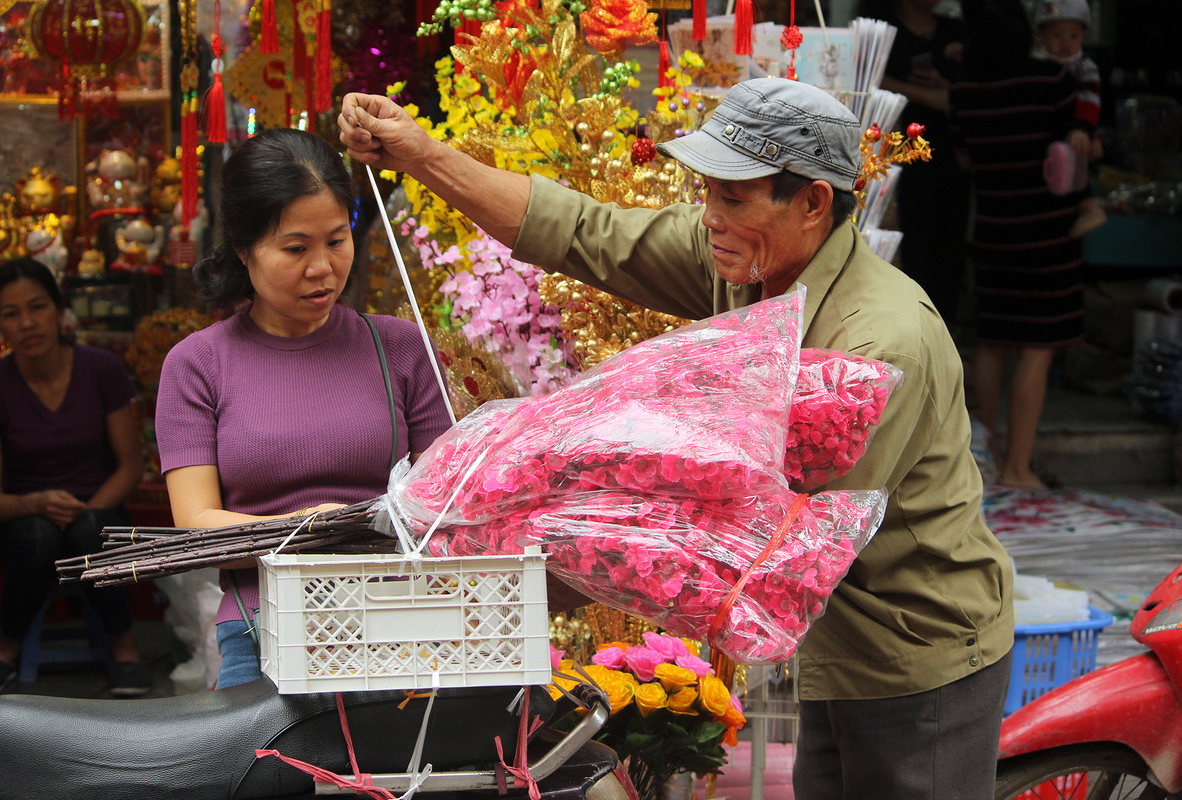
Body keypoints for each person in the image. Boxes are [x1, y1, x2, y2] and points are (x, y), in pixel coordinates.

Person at [339, 76, 1014, 799]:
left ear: (813, 202)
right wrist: (422, 156)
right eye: (706, 192)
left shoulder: (882, 340)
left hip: (917, 653)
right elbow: (580, 232)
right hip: (833, 650)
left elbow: (761, 535)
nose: (709, 216)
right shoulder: (749, 259)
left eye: (732, 196)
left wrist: (537, 548)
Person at [154, 128, 454, 689]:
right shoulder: (197, 365)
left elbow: (448, 502)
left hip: (400, 622)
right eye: (296, 249)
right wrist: (299, 531)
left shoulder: (400, 348)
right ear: (245, 250)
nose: (322, 267)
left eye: (337, 241)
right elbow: (196, 524)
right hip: (263, 631)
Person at [0, 257, 150, 697]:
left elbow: (131, 465)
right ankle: (6, 646)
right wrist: (36, 504)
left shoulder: (101, 370)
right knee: (39, 537)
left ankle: (125, 645)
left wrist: (84, 514)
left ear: (59, 311)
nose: (27, 323)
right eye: (11, 313)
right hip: (24, 518)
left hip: (97, 507)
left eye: (37, 307)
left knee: (90, 532)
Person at [951, 0, 1089, 489]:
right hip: (1049, 231)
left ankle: (987, 461)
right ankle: (1019, 467)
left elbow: (966, 160)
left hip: (992, 228)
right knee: (1038, 345)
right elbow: (1081, 146)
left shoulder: (965, 90)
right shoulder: (1052, 81)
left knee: (994, 342)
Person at [857, 0, 971, 327]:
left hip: (950, 156)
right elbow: (870, 82)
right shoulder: (880, 26)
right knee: (910, 245)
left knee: (948, 248)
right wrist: (924, 96)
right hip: (897, 157)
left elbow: (971, 84)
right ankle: (913, 328)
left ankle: (942, 331)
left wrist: (947, 89)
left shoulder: (954, 30)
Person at [1031, 0, 1107, 237]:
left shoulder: (1084, 67)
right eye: (1057, 35)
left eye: (1073, 36)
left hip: (1076, 128)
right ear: (1039, 34)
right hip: (1051, 130)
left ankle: (1089, 207)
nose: (1066, 43)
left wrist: (1083, 129)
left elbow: (1090, 99)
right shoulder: (1036, 64)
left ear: (1083, 35)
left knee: (1075, 163)